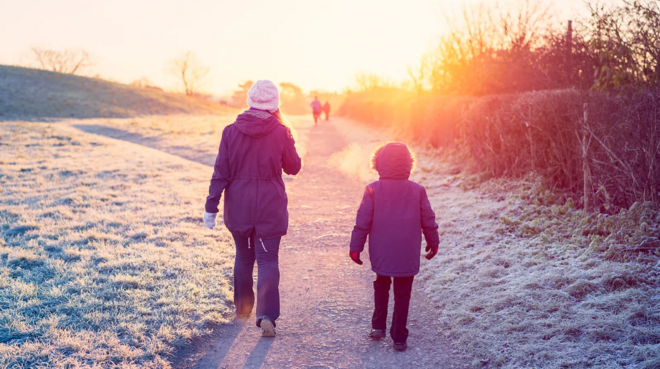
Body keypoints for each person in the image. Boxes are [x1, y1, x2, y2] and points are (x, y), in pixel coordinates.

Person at [203, 80, 302, 337]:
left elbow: (220, 173)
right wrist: (289, 141)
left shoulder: (230, 131)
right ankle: (266, 314)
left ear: (250, 101)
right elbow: (294, 167)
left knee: (244, 257)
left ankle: (243, 308)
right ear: (274, 104)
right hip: (270, 206)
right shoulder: (281, 131)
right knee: (268, 258)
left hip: (239, 205)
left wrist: (211, 206)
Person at [348, 142, 439, 352]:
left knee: (381, 283)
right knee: (403, 292)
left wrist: (356, 247)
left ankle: (378, 326)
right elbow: (428, 219)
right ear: (409, 164)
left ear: (378, 163)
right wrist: (433, 242)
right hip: (407, 250)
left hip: (382, 249)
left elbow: (363, 221)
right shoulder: (417, 190)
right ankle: (399, 336)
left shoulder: (373, 189)